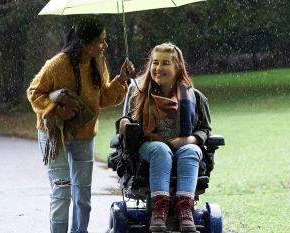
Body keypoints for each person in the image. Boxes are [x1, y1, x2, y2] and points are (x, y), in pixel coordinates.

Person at [27, 17, 134, 233]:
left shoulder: (98, 62)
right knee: (62, 189)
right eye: (100, 41)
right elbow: (34, 93)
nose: (105, 45)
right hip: (55, 134)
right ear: (85, 41)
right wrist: (57, 110)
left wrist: (122, 79)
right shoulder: (57, 64)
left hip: (84, 134)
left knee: (83, 194)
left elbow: (103, 98)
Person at [118, 43, 212, 232]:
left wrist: (189, 140)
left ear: (177, 67)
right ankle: (159, 210)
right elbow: (128, 119)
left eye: (165, 63)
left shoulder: (195, 97)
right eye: (155, 62)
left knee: (191, 150)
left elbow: (205, 130)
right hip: (149, 149)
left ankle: (185, 208)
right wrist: (124, 123)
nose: (158, 68)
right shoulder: (139, 94)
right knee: (160, 149)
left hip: (184, 146)